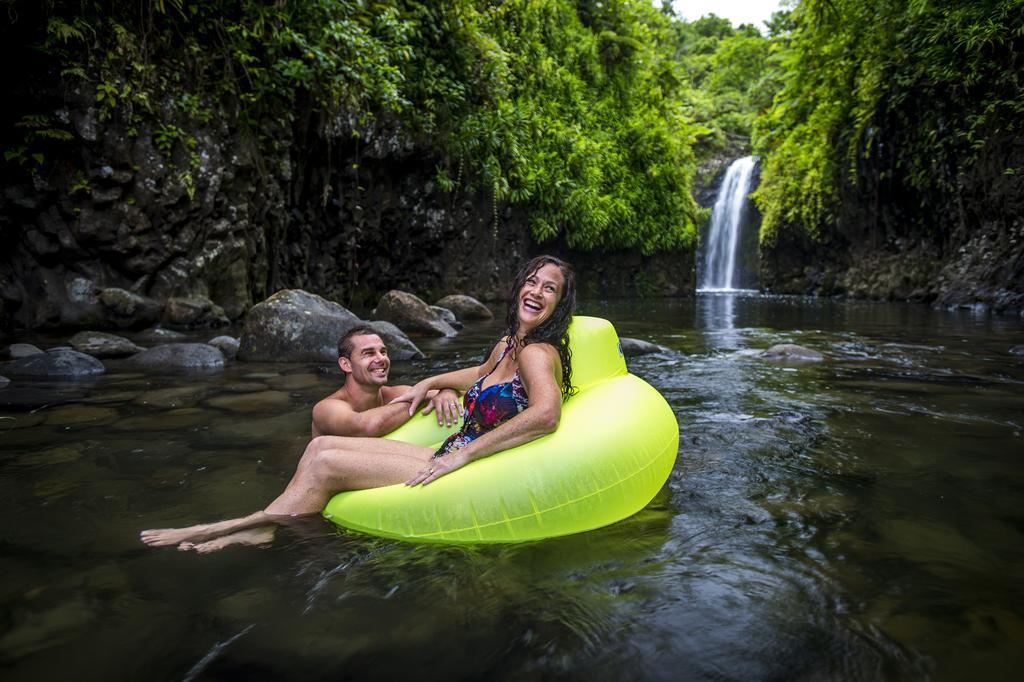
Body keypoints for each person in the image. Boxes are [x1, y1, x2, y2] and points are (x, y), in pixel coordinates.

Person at [140, 255, 577, 552]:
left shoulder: (538, 353)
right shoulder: (507, 345)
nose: (536, 291)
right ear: (519, 287)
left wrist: (463, 456)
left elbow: (546, 413)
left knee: (329, 464)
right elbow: (478, 376)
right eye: (532, 281)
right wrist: (432, 382)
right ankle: (264, 527)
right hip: (451, 450)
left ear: (558, 304)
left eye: (549, 288)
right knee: (318, 446)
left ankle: (241, 526)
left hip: (475, 465)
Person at [311, 325, 462, 438]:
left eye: (383, 352)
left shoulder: (396, 393)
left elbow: (463, 391)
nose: (381, 358)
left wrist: (447, 391)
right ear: (346, 364)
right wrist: (423, 397)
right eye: (369, 353)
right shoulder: (326, 408)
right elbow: (367, 427)